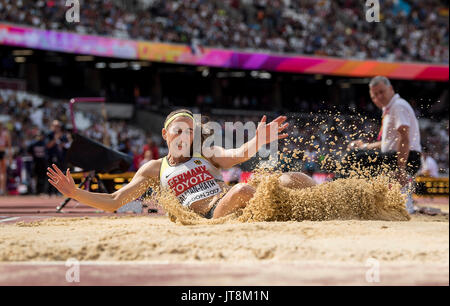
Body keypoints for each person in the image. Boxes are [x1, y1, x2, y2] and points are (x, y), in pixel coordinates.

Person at [47, 109, 317, 219]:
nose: (184, 136)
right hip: (210, 215)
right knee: (242, 190)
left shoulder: (206, 153)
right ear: (165, 134)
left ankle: (324, 203)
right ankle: (287, 213)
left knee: (288, 179)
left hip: (231, 200)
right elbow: (116, 200)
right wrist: (74, 193)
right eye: (178, 130)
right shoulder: (154, 168)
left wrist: (258, 140)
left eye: (189, 131)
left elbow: (239, 154)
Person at [347, 76, 422, 186]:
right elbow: (389, 143)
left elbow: (404, 138)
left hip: (406, 158)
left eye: (382, 92)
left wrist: (401, 169)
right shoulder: (389, 109)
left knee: (354, 157)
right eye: (375, 95)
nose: (379, 97)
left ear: (391, 89)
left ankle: (340, 192)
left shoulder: (398, 106)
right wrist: (365, 146)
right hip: (398, 156)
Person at [0, 122, 12, 195]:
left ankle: (2, 189)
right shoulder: (6, 133)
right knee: (3, 173)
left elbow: (9, 146)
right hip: (2, 152)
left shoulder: (5, 134)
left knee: (3, 172)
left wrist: (10, 157)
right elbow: (9, 146)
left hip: (3, 153)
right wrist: (10, 157)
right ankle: (2, 189)